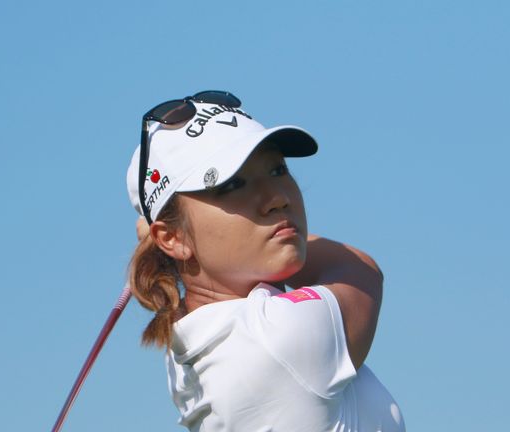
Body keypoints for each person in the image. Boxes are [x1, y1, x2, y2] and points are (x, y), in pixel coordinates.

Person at [126, 91, 405, 432]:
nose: (278, 198)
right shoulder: (276, 335)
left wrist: (176, 239)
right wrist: (279, 236)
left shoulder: (188, 341)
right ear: (172, 239)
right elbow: (359, 268)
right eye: (233, 184)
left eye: (277, 169)